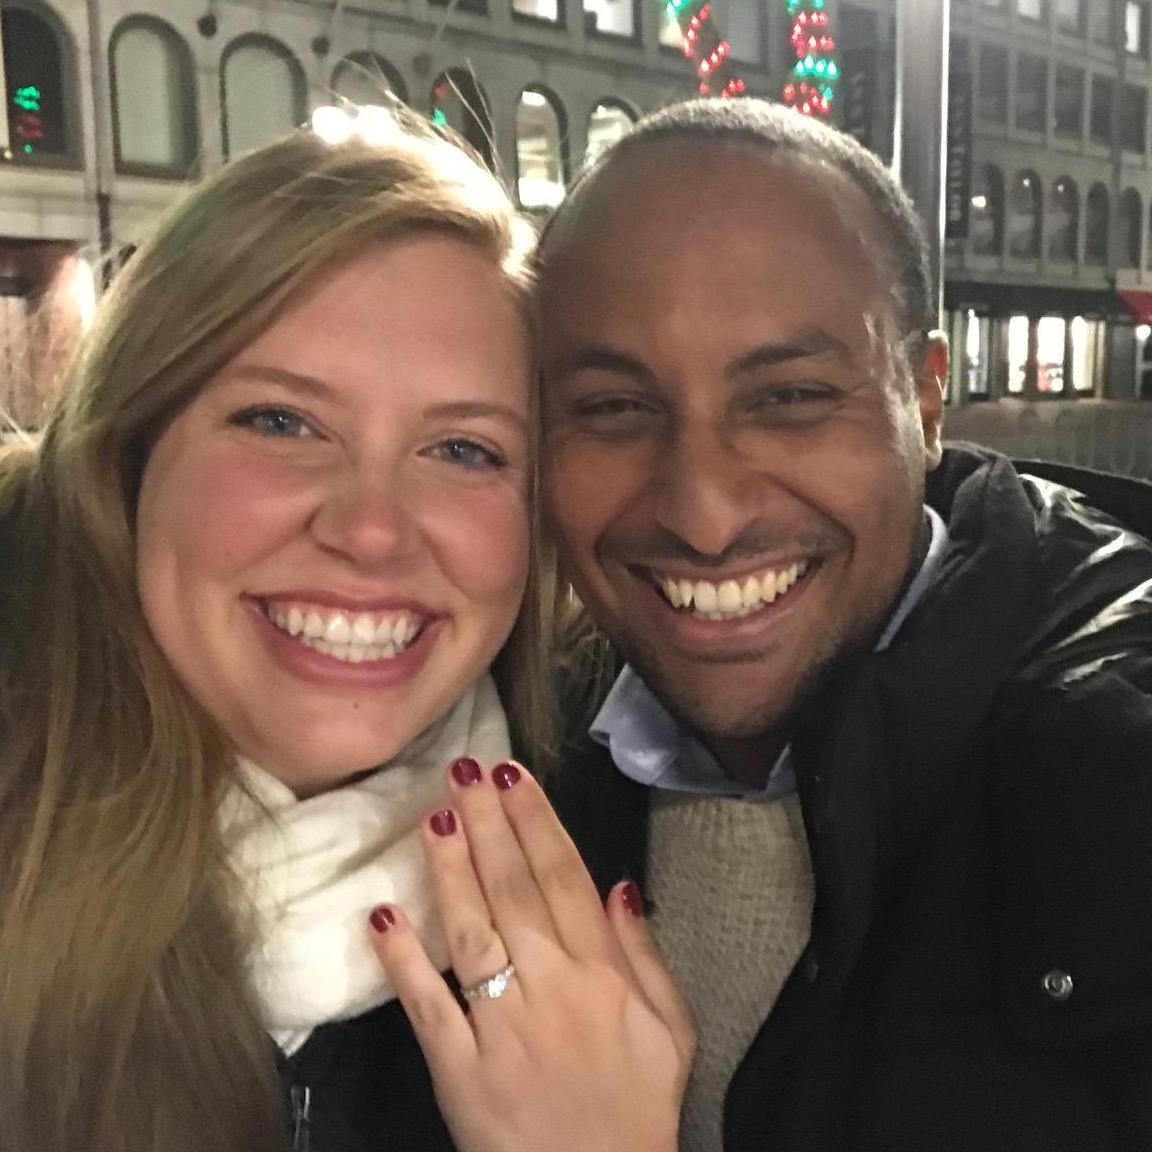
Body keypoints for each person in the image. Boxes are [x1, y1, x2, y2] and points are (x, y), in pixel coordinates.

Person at [0, 114, 693, 1152]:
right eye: (282, 421)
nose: (369, 531)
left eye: (463, 448)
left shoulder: (615, 847)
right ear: (131, 458)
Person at [535, 96, 1152, 1152]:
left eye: (789, 398)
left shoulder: (1115, 775)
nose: (702, 513)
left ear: (929, 400)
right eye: (614, 408)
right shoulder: (507, 752)